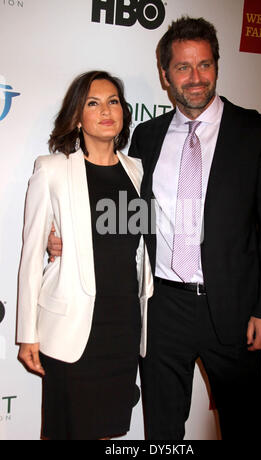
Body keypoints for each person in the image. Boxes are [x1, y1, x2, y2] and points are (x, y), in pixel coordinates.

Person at [48, 17, 261, 440]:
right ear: (165, 74)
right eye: (183, 67)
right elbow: (128, 217)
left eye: (205, 65)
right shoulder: (146, 138)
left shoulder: (258, 134)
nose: (195, 78)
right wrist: (70, 239)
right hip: (162, 310)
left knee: (245, 426)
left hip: (234, 311)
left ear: (217, 65)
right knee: (161, 431)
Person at [17, 70, 153, 440]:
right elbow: (31, 255)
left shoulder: (138, 171)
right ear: (77, 116)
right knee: (65, 431)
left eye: (113, 102)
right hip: (72, 325)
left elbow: (141, 247)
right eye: (93, 103)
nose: (106, 110)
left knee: (107, 431)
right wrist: (27, 332)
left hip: (123, 325)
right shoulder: (53, 170)